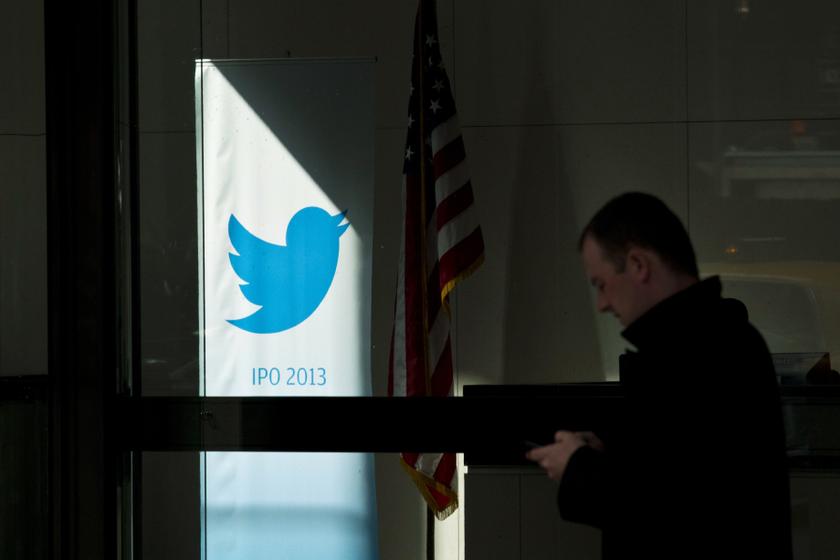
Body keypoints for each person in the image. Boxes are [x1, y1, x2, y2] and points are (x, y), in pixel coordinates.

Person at [526, 192, 792, 559]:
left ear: (638, 264)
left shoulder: (695, 352)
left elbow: (678, 512)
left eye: (601, 284)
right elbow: (680, 469)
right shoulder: (714, 342)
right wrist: (613, 454)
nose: (602, 304)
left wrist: (579, 468)